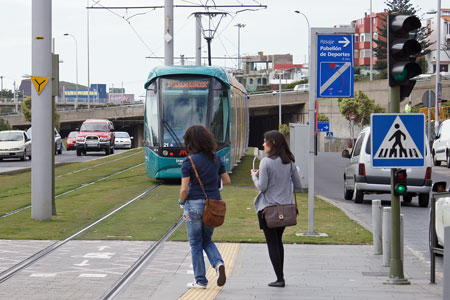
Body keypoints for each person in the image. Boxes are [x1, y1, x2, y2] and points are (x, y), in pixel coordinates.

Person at [179, 125, 231, 289]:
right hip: (213, 204)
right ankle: (218, 263)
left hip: (193, 205)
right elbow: (227, 180)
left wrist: (181, 202)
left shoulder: (189, 161)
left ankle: (200, 280)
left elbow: (184, 189)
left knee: (195, 243)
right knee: (207, 240)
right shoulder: (216, 158)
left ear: (190, 142)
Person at [251, 130, 302, 288]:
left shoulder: (266, 162)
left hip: (269, 211)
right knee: (278, 241)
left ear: (272, 143)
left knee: (272, 243)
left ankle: (280, 278)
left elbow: (262, 187)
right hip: (285, 210)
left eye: (265, 141)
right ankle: (280, 276)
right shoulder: (290, 162)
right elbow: (299, 186)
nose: (263, 144)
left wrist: (254, 176)